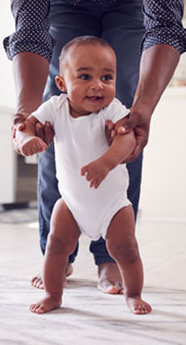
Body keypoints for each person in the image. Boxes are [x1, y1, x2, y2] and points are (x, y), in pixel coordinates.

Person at [3, 0, 186, 293]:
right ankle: (56, 251)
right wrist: (26, 113)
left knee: (121, 114)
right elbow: (30, 31)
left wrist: (142, 109)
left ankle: (111, 257)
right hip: (63, 2)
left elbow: (164, 24)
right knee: (52, 116)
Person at [16, 36, 150, 315]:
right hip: (72, 203)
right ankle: (53, 294)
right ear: (63, 84)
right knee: (56, 245)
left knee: (125, 249)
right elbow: (28, 124)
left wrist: (105, 163)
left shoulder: (113, 110)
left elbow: (126, 141)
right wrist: (27, 137)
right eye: (85, 76)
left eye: (107, 77)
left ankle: (133, 294)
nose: (97, 85)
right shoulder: (55, 107)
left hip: (112, 205)